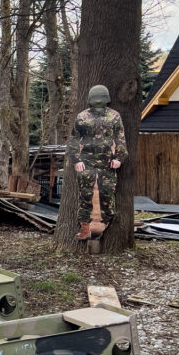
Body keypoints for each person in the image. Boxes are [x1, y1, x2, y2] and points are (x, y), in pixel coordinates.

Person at [67, 85, 127, 241]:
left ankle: (108, 225)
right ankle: (85, 228)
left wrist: (119, 158)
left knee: (107, 193)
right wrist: (76, 160)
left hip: (108, 162)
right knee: (85, 195)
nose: (98, 103)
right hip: (86, 161)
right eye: (96, 100)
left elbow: (120, 138)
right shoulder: (82, 117)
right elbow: (74, 139)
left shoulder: (114, 116)